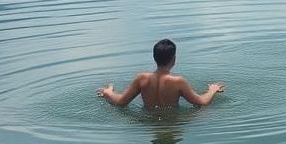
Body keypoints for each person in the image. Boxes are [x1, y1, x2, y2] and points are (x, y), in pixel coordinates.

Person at [96, 39, 224, 109]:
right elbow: (201, 102)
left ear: (154, 57)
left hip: (148, 122)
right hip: (173, 123)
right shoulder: (178, 81)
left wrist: (109, 93)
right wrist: (212, 90)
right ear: (174, 59)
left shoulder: (141, 79)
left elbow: (121, 102)